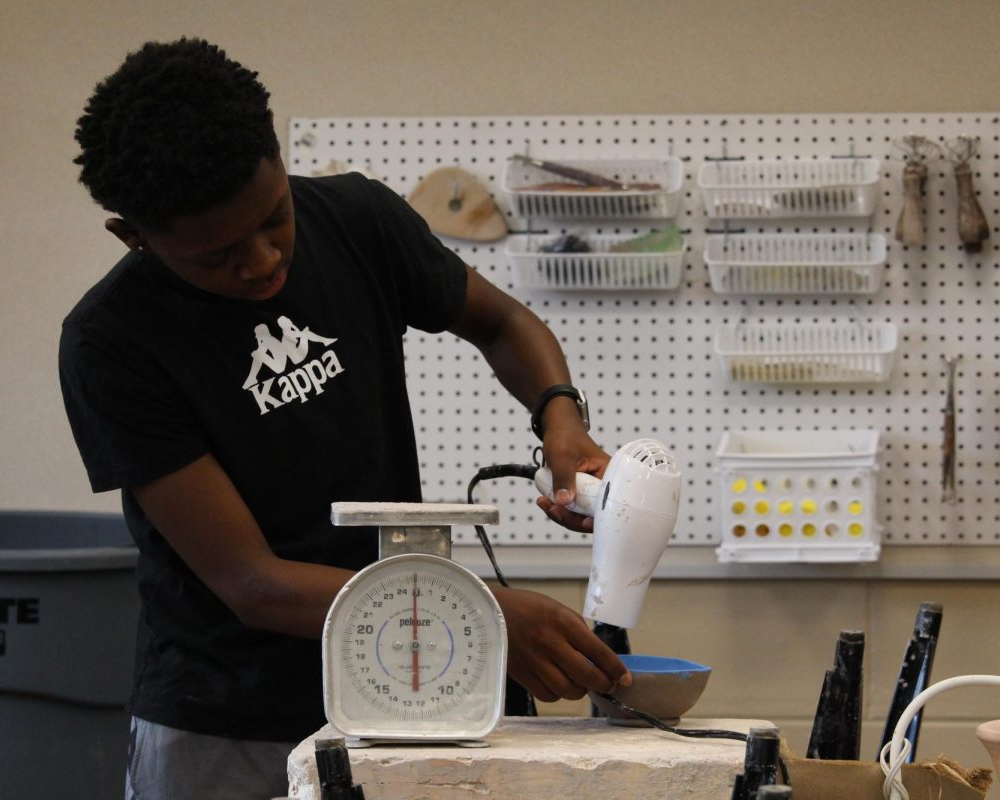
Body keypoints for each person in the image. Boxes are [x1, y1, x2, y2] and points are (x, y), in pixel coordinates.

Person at [59, 37, 630, 800]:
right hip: (225, 717)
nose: (261, 262)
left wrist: (560, 419)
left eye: (274, 220)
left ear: (273, 145)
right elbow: (253, 582)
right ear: (133, 235)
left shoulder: (356, 218)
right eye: (217, 257)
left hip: (404, 689)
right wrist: (479, 612)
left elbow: (500, 325)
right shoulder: (113, 341)